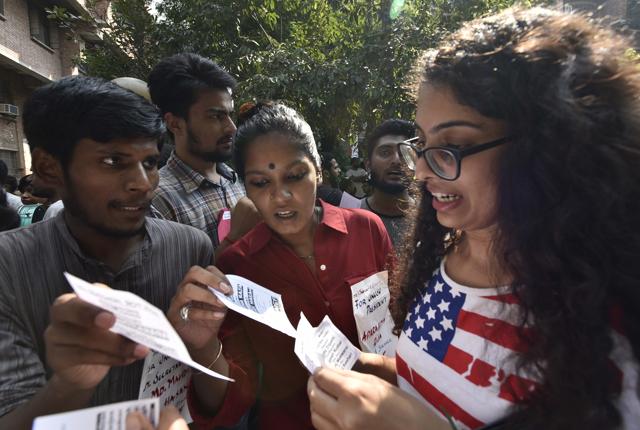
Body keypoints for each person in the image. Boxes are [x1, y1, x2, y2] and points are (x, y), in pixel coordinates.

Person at [305, 7, 640, 430]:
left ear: (547, 146)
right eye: (422, 144)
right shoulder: (440, 257)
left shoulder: (605, 323)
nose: (422, 171)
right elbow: (434, 381)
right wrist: (377, 372)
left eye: (454, 145)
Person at [0, 76, 223, 429]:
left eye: (149, 163)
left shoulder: (190, 248)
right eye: (113, 162)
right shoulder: (7, 267)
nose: (142, 183)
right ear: (48, 167)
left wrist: (203, 347)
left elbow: (216, 401)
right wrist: (70, 384)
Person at [179, 103, 394, 429]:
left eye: (294, 176)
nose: (280, 196)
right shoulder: (236, 265)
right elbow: (230, 399)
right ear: (246, 187)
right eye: (261, 183)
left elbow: (402, 325)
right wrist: (202, 346)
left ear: (318, 170)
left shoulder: (368, 230)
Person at [148, 53, 256, 248]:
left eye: (229, 115)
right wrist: (235, 237)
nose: (231, 127)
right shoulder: (159, 201)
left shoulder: (238, 181)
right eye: (216, 116)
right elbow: (175, 279)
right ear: (175, 124)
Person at [361, 119, 416, 249]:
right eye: (385, 152)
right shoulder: (349, 216)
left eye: (405, 153)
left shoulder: (433, 218)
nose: (396, 160)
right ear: (368, 165)